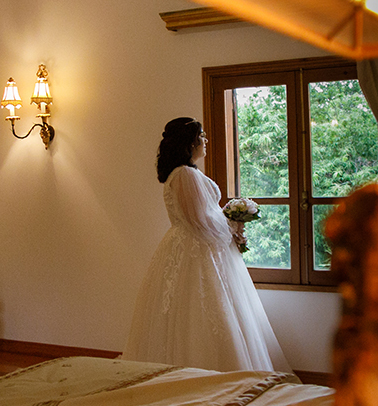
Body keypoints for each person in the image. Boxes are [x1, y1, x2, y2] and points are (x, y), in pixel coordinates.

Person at [122, 117, 292, 372]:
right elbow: (198, 222)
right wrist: (232, 226)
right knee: (196, 311)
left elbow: (203, 215)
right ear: (190, 142)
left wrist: (229, 222)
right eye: (201, 136)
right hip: (194, 250)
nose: (206, 140)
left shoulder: (184, 173)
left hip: (192, 247)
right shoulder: (184, 175)